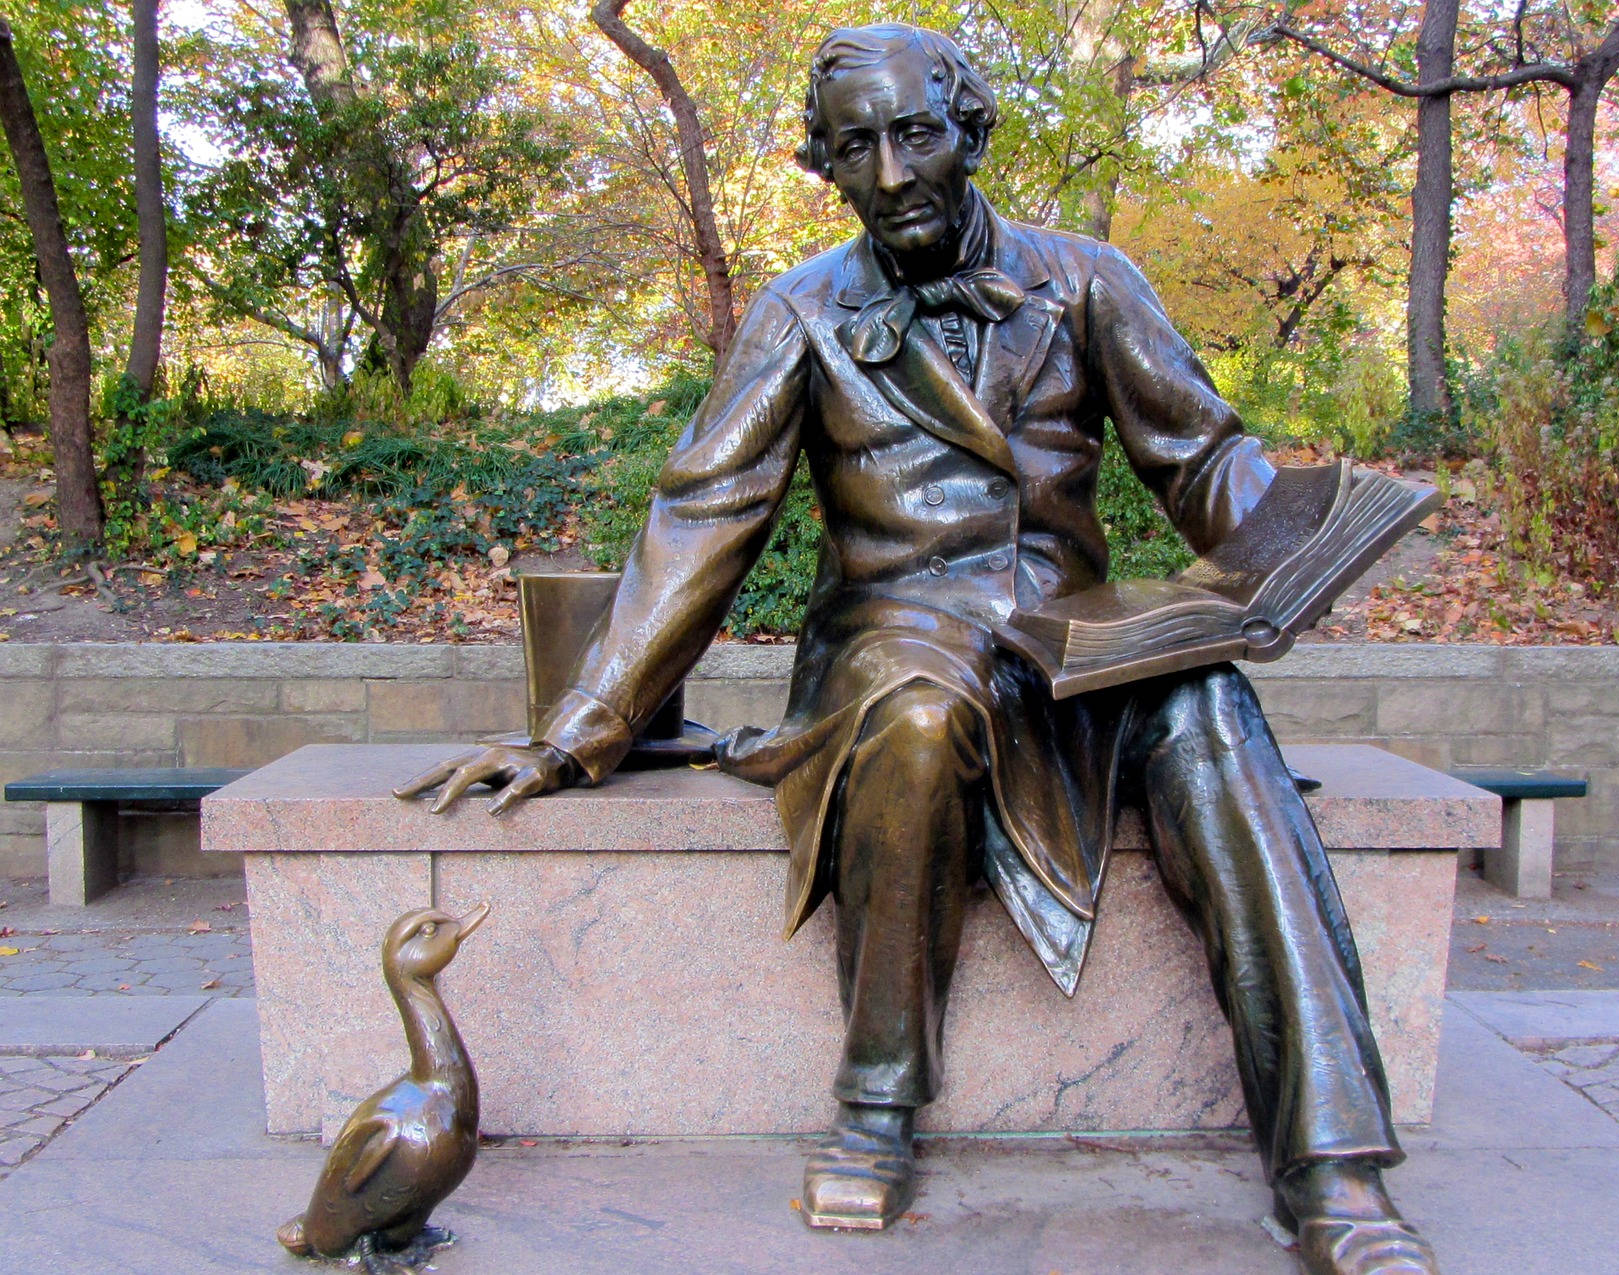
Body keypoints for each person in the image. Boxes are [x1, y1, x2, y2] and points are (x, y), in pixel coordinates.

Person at [398, 24, 1436, 1275]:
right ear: (825, 164)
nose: (890, 175)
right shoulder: (801, 309)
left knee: (1214, 711)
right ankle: (879, 1099)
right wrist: (584, 723)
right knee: (921, 718)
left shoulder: (1090, 279)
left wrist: (1293, 546)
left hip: (1071, 642)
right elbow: (703, 515)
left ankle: (1332, 1165)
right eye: (854, 147)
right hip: (897, 637)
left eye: (915, 136)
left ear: (972, 132)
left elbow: (1202, 456)